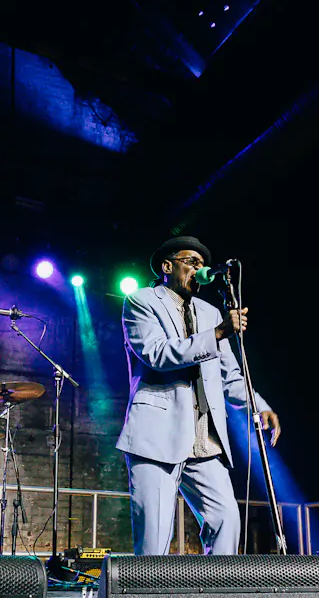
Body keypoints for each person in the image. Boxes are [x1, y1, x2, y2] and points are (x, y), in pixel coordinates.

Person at [119, 236, 282, 555]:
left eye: (202, 264)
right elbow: (157, 354)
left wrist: (258, 407)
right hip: (157, 436)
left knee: (226, 521)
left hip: (203, 438)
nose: (199, 269)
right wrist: (219, 333)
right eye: (191, 262)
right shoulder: (141, 301)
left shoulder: (209, 312)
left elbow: (230, 375)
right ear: (168, 266)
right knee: (154, 540)